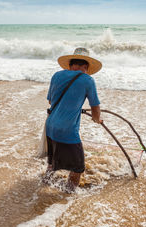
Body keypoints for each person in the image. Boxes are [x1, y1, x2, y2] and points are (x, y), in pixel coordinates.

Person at [43, 47, 103, 193]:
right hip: (67, 131)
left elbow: (51, 101)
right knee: (78, 168)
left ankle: (44, 184)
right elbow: (95, 108)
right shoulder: (87, 80)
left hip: (50, 127)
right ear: (86, 66)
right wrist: (97, 120)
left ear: (70, 64)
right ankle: (68, 196)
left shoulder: (57, 75)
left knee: (52, 163)